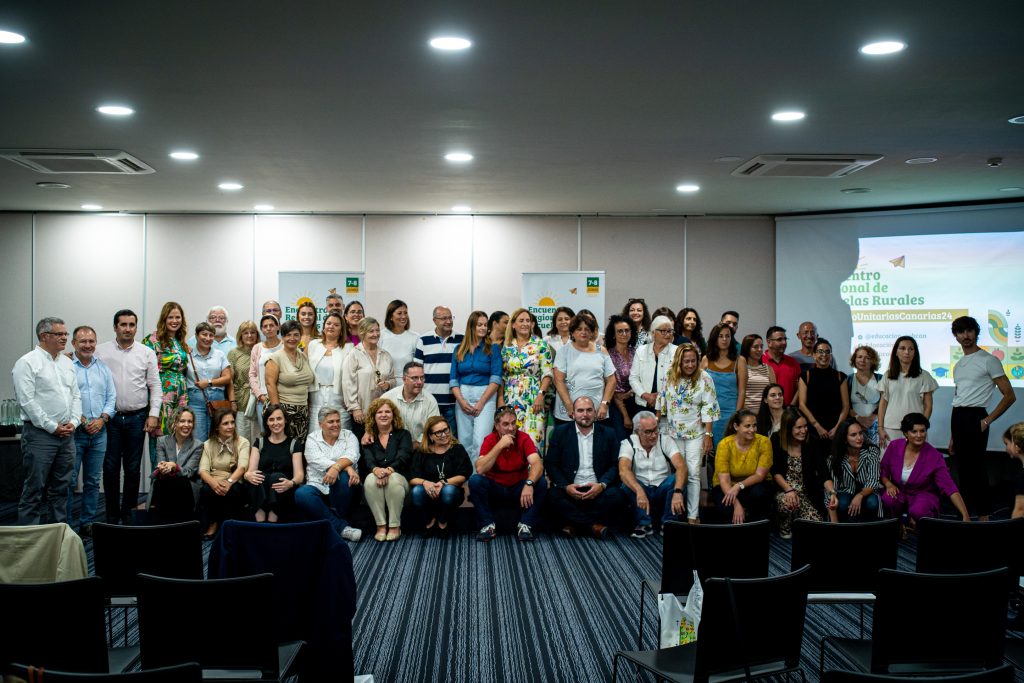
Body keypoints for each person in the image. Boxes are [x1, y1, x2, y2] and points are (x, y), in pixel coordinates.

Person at [95, 309, 161, 525]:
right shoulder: (100, 351)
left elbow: (155, 385)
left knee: (133, 469)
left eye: (132, 325)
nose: (127, 329)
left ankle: (129, 514)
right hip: (111, 418)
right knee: (111, 468)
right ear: (115, 327)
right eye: (123, 325)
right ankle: (112, 516)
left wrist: (153, 414)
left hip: (137, 417)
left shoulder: (146, 352)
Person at [13, 317, 81, 525]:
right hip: (40, 435)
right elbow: (27, 401)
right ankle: (29, 540)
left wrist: (74, 421)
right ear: (44, 336)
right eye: (59, 334)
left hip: (67, 435)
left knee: (61, 489)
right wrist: (52, 427)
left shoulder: (67, 362)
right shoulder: (27, 363)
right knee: (34, 489)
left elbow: (76, 395)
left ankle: (57, 535)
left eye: (65, 334)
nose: (64, 338)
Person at [948, 315, 1015, 521]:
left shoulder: (989, 360)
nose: (965, 335)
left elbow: (1010, 395)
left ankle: (984, 516)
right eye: (961, 332)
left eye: (969, 331)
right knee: (963, 470)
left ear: (976, 333)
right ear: (956, 337)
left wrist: (987, 420)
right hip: (958, 416)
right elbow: (959, 397)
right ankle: (967, 516)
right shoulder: (959, 364)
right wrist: (952, 436)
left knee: (976, 469)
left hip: (976, 416)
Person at [544, 396, 625, 539]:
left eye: (589, 410)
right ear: (573, 414)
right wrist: (565, 486)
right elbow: (551, 464)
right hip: (570, 490)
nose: (585, 415)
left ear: (595, 413)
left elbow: (615, 465)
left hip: (597, 489)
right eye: (580, 411)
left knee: (617, 495)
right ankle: (593, 525)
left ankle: (574, 523)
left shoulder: (609, 433)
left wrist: (602, 485)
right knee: (552, 496)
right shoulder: (560, 432)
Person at [469, 406, 548, 541]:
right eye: (505, 424)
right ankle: (487, 525)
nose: (511, 428)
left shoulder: (523, 438)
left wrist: (529, 483)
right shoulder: (490, 439)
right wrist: (499, 445)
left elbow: (537, 463)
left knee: (541, 482)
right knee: (475, 481)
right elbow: (480, 468)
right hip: (496, 487)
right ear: (497, 426)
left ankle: (525, 525)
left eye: (513, 423)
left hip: (518, 487)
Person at [659, 343, 718, 523]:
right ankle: (676, 514)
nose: (690, 365)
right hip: (672, 432)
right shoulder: (669, 375)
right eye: (686, 361)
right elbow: (662, 402)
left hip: (696, 433)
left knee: (692, 474)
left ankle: (693, 516)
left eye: (693, 361)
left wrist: (708, 436)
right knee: (677, 473)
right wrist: (658, 426)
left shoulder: (705, 378)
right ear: (679, 361)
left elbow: (709, 407)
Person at [66, 326, 116, 535]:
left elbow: (111, 397)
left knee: (93, 481)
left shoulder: (102, 368)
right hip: (74, 432)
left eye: (91, 341)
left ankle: (87, 521)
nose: (88, 345)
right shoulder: (66, 367)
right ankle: (66, 524)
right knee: (69, 480)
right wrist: (83, 419)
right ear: (74, 344)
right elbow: (64, 398)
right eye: (83, 341)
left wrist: (103, 419)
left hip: (99, 432)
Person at [880, 413, 970, 527]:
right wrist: (888, 484)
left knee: (919, 511)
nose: (919, 435)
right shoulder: (894, 446)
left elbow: (949, 487)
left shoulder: (935, 456)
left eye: (922, 431)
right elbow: (883, 470)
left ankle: (914, 520)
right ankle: (900, 524)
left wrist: (965, 515)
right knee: (888, 499)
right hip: (900, 491)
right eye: (914, 431)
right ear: (905, 433)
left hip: (923, 494)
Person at [294, 406, 363, 541]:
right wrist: (347, 467)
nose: (336, 425)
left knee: (343, 477)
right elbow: (316, 460)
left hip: (345, 487)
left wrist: (337, 468)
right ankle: (342, 527)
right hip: (318, 484)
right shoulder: (312, 438)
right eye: (331, 422)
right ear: (320, 424)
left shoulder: (349, 435)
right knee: (301, 494)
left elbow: (352, 455)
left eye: (338, 421)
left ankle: (335, 523)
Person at [619, 411, 687, 536]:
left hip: (662, 489)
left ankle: (668, 523)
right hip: (641, 491)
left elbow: (681, 466)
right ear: (637, 432)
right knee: (626, 483)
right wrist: (639, 490)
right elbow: (623, 470)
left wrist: (678, 491)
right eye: (648, 432)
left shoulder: (665, 440)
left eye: (655, 430)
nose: (654, 435)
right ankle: (645, 524)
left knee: (675, 479)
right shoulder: (628, 443)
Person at [142, 302, 190, 469]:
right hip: (161, 395)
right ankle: (158, 482)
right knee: (160, 440)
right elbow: (144, 370)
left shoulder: (180, 341)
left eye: (178, 317)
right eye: (171, 317)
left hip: (180, 395)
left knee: (177, 439)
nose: (175, 320)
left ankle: (173, 480)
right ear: (164, 318)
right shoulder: (152, 340)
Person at [500, 308, 554, 454]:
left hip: (534, 398)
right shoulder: (506, 347)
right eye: (521, 320)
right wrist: (501, 400)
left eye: (528, 321)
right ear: (513, 325)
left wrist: (541, 395)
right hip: (511, 398)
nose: (525, 324)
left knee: (533, 441)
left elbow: (547, 373)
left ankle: (533, 476)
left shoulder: (541, 344)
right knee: (511, 441)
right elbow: (502, 376)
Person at [450, 310, 501, 462]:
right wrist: (461, 401)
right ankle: (465, 480)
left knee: (480, 441)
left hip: (485, 397)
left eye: (485, 325)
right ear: (471, 326)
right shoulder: (459, 349)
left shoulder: (493, 348)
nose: (483, 328)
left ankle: (477, 480)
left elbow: (496, 378)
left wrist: (481, 402)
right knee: (464, 441)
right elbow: (453, 379)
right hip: (462, 396)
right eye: (479, 325)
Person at [410, 415, 472, 538]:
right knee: (416, 491)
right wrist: (425, 483)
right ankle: (430, 521)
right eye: (438, 432)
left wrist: (443, 483)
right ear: (430, 436)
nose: (443, 435)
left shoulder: (457, 449)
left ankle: (442, 521)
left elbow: (464, 474)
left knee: (449, 491)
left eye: (445, 430)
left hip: (450, 492)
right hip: (428, 491)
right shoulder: (422, 452)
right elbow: (412, 477)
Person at [361, 398, 413, 541]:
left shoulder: (403, 434)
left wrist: (389, 470)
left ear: (393, 415)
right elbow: (368, 460)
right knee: (371, 479)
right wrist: (376, 470)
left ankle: (395, 526)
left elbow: (404, 456)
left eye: (387, 412)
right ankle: (381, 526)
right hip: (377, 476)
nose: (384, 415)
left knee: (394, 479)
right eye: (379, 412)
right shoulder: (368, 438)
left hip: (400, 479)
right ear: (373, 416)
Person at [552, 314, 615, 428]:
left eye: (587, 329)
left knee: (596, 445)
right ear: (572, 332)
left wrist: (605, 404)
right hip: (569, 412)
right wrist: (569, 405)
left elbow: (611, 380)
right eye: (579, 329)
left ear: (592, 332)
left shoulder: (602, 350)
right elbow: (558, 381)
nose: (583, 332)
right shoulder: (563, 351)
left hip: (597, 411)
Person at [244, 404, 304, 523]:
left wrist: (291, 483)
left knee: (276, 477)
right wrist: (247, 475)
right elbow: (251, 471)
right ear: (266, 422)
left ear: (285, 420)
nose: (275, 423)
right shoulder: (259, 443)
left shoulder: (294, 444)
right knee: (257, 476)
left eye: (279, 418)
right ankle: (259, 517)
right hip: (261, 491)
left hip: (283, 491)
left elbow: (300, 475)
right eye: (271, 419)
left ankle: (273, 517)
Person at [712, 409, 774, 524]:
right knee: (725, 506)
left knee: (760, 494)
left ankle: (757, 530)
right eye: (747, 426)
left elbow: (760, 475)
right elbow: (724, 480)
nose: (752, 430)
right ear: (736, 426)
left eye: (754, 426)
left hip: (754, 484)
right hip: (727, 485)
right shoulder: (724, 445)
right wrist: (736, 505)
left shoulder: (764, 442)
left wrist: (738, 486)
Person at [877, 336, 939, 448]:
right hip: (890, 427)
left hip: (914, 430)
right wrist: (880, 427)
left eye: (911, 349)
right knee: (891, 462)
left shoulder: (924, 376)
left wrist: (921, 427)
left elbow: (928, 406)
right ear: (896, 352)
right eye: (902, 348)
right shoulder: (888, 375)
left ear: (915, 352)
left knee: (915, 463)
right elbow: (883, 403)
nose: (907, 352)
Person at [771, 408, 824, 538]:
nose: (803, 430)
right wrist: (789, 490)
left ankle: (797, 517)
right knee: (787, 503)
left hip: (806, 492)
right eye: (798, 427)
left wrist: (832, 491)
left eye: (805, 426)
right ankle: (785, 523)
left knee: (817, 526)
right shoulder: (776, 439)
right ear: (788, 428)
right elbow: (775, 471)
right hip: (784, 490)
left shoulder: (812, 441)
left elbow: (823, 470)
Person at [197, 408, 250, 539]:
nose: (230, 426)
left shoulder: (243, 442)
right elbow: (203, 470)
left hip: (234, 480)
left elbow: (243, 466)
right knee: (206, 489)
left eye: (232, 422)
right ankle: (213, 524)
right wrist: (214, 483)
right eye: (225, 423)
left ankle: (230, 526)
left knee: (235, 490)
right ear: (216, 427)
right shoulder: (208, 444)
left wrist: (229, 482)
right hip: (215, 480)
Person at [797, 338, 850, 465]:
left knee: (835, 463)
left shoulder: (840, 376)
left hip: (835, 429)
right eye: (820, 352)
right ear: (814, 355)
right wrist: (817, 426)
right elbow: (802, 405)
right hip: (813, 429)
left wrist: (837, 427)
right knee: (814, 463)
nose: (824, 355)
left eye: (827, 352)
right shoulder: (806, 376)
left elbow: (846, 406)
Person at [148, 407, 203, 524]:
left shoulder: (197, 445)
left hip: (186, 487)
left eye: (190, 421)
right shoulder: (162, 441)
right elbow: (161, 464)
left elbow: (189, 472)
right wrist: (163, 467)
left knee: (179, 482)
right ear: (174, 423)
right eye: (182, 421)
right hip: (166, 483)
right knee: (163, 482)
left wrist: (174, 466)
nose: (186, 425)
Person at [415, 305, 464, 438]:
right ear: (434, 320)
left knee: (452, 440)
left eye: (450, 317)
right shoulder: (423, 340)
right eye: (444, 318)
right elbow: (417, 370)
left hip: (453, 402)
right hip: (430, 401)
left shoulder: (462, 339)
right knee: (429, 439)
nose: (448, 321)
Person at [343, 317, 395, 439]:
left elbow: (393, 379)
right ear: (362, 332)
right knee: (363, 447)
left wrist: (388, 384)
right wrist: (355, 408)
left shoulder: (386, 355)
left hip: (382, 413)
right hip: (362, 412)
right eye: (371, 331)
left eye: (377, 330)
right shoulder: (353, 354)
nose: (375, 334)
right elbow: (347, 383)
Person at [265, 319, 315, 440]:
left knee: (298, 448)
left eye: (296, 335)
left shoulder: (303, 356)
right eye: (288, 335)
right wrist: (278, 413)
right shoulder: (275, 358)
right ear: (282, 337)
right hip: (283, 410)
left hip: (302, 410)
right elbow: (270, 385)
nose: (292, 338)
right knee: (283, 447)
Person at [824, 419, 881, 523]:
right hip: (846, 492)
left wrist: (859, 496)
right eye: (853, 435)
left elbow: (873, 481)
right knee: (842, 502)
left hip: (867, 491)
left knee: (872, 502)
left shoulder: (872, 451)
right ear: (845, 439)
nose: (859, 438)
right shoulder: (834, 458)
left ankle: (871, 528)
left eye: (860, 433)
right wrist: (834, 523)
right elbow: (832, 488)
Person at [185, 321, 233, 443]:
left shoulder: (220, 355)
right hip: (195, 400)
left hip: (217, 400)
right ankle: (200, 463)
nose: (208, 338)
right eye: (204, 334)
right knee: (198, 439)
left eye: (211, 335)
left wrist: (209, 382)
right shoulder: (187, 355)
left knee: (218, 438)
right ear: (196, 335)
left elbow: (227, 378)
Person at [628, 315, 677, 433]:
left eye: (669, 331)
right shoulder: (641, 350)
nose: (667, 334)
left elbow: (678, 380)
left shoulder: (677, 351)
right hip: (643, 404)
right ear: (653, 332)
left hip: (667, 406)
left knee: (664, 441)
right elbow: (633, 378)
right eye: (663, 331)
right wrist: (645, 395)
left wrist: (660, 397)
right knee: (642, 438)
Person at [308, 311, 353, 430]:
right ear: (323, 327)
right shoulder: (313, 345)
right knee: (315, 433)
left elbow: (353, 376)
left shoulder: (349, 348)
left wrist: (350, 400)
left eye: (336, 325)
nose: (331, 326)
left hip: (338, 398)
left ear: (341, 330)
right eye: (328, 323)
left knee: (340, 433)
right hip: (316, 396)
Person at [701, 323, 744, 446]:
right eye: (721, 336)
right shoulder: (706, 359)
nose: (724, 339)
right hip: (709, 415)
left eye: (728, 336)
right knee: (710, 453)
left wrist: (737, 416)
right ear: (715, 338)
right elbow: (698, 389)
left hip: (730, 414)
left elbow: (742, 391)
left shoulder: (740, 361)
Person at [382, 362, 440, 443]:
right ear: (404, 379)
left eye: (422, 378)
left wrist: (416, 444)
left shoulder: (430, 401)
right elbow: (377, 422)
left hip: (421, 447)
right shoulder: (388, 398)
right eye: (415, 378)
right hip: (392, 446)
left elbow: (434, 428)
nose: (420, 382)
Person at [605, 315, 638, 440]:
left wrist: (632, 392)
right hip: (617, 406)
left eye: (627, 330)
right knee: (622, 440)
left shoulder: (635, 352)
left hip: (635, 401)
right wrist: (625, 416)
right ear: (613, 334)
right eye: (620, 331)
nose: (624, 334)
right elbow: (615, 391)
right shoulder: (609, 355)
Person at [227, 320, 259, 444]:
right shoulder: (234, 354)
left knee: (258, 435)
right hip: (241, 400)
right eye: (246, 333)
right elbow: (230, 380)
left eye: (252, 332)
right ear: (240, 335)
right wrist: (233, 401)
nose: (249, 336)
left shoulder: (262, 350)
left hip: (259, 399)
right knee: (242, 437)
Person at [847, 345, 882, 444]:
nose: (863, 360)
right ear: (855, 359)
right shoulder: (848, 379)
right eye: (860, 357)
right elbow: (845, 405)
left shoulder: (881, 379)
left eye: (867, 358)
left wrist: (872, 418)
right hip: (854, 426)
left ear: (873, 361)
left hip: (876, 425)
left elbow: (886, 402)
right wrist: (858, 418)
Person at [249, 313, 283, 415]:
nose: (268, 328)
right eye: (265, 326)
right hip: (263, 399)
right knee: (265, 431)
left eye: (272, 325)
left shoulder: (285, 346)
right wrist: (260, 396)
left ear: (278, 327)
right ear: (261, 330)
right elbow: (252, 374)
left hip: (283, 397)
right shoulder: (257, 348)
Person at [737, 334, 776, 413]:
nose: (760, 349)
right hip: (747, 414)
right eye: (755, 347)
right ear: (747, 349)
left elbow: (774, 391)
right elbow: (738, 392)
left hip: (765, 414)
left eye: (761, 346)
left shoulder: (768, 368)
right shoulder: (741, 368)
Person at [762, 325, 801, 405]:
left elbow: (800, 388)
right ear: (769, 342)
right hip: (765, 412)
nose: (784, 342)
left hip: (788, 412)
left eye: (785, 339)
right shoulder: (760, 361)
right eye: (779, 339)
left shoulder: (793, 362)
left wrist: (791, 406)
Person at [380, 299, 419, 374]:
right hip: (386, 383)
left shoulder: (415, 337)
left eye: (405, 313)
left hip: (407, 384)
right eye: (399, 313)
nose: (403, 316)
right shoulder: (381, 335)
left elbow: (418, 365)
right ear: (390, 316)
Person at [1003, 423, 1024, 519]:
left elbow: (1020, 509)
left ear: (1017, 446)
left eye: (1007, 443)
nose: (1006, 448)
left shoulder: (1022, 478)